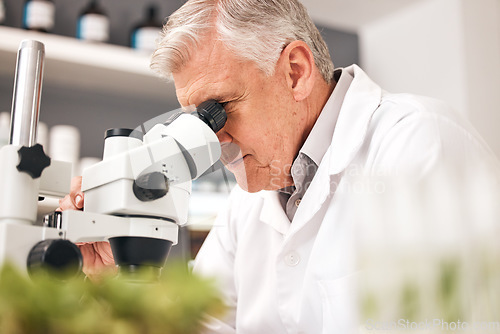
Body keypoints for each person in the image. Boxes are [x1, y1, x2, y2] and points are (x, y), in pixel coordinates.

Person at [59, 0, 500, 332]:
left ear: (294, 71)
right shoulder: (246, 205)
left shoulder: (418, 144)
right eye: (198, 121)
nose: (213, 138)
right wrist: (120, 282)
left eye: (220, 108)